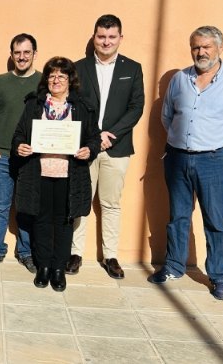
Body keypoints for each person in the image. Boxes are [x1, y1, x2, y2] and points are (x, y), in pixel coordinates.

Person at [151, 26, 223, 301]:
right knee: (177, 216)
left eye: (206, 47)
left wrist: (220, 146)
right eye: (195, 47)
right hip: (177, 157)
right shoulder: (180, 79)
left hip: (214, 159)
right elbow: (168, 116)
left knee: (214, 220)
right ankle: (174, 266)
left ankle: (219, 277)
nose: (200, 52)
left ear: (220, 48)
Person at [12, 57, 100, 292]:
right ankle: (43, 267)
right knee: (40, 221)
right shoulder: (35, 104)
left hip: (69, 175)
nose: (56, 80)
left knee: (64, 222)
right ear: (46, 79)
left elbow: (94, 137)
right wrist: (20, 145)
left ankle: (59, 268)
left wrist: (89, 150)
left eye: (62, 76)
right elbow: (19, 133)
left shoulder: (82, 106)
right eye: (52, 76)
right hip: (38, 172)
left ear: (71, 80)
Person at [68, 15, 145, 279]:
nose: (106, 41)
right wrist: (93, 136)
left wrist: (110, 135)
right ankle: (75, 253)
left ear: (120, 38)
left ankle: (111, 256)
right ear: (94, 37)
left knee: (111, 203)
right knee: (81, 200)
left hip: (117, 147)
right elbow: (74, 105)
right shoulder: (79, 67)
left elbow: (136, 107)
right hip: (86, 147)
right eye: (101, 36)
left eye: (112, 37)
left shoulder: (132, 69)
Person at [0, 33, 42, 272]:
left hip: (31, 156)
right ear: (11, 55)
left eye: (27, 52)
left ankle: (26, 251)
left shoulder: (44, 82)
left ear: (34, 54)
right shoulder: (0, 82)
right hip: (1, 155)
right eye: (17, 52)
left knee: (27, 206)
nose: (22, 57)